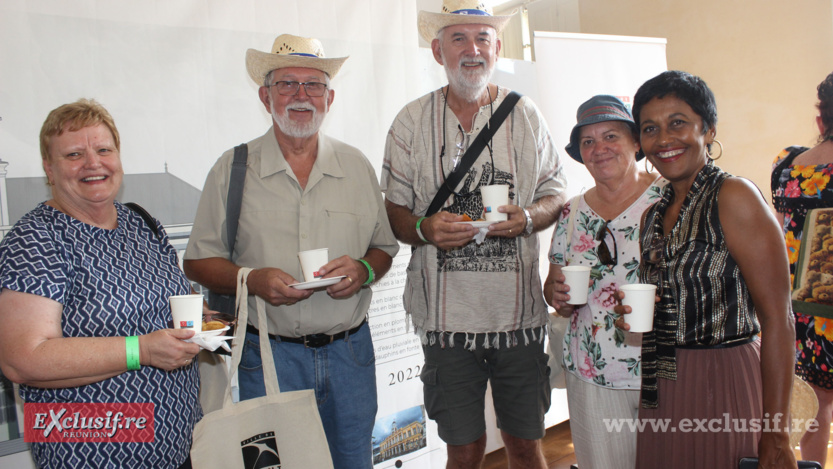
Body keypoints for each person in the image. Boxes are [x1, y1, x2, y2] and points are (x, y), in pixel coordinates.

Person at [182, 34, 399, 469]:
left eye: (313, 85)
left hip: (350, 355)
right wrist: (252, 279)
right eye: (287, 84)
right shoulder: (233, 168)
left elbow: (384, 249)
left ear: (329, 97)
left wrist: (363, 270)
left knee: (353, 463)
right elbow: (197, 261)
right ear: (266, 97)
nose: (301, 96)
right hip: (268, 359)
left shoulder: (356, 166)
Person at [381, 1, 567, 467]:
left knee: (526, 445)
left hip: (519, 322)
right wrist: (423, 229)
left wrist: (526, 217)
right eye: (459, 39)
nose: (472, 50)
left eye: (482, 38)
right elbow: (394, 210)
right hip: (447, 328)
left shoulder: (524, 115)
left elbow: (555, 192)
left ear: (498, 48)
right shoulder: (410, 121)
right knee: (463, 450)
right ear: (437, 49)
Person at [0, 99, 202, 468]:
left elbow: (166, 302)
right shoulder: (34, 239)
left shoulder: (141, 222)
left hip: (177, 443)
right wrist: (140, 350)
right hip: (94, 452)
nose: (93, 164)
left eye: (103, 150)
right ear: (49, 167)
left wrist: (200, 321)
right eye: (74, 154)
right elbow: (22, 360)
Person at [615, 71, 797, 468]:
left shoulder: (734, 197)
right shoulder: (652, 215)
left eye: (677, 123)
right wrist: (631, 320)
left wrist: (777, 432)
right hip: (664, 384)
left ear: (708, 130)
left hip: (725, 378)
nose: (664, 139)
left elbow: (778, 318)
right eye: (650, 128)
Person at [544, 95, 665, 469]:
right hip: (592, 372)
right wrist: (558, 295)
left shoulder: (670, 198)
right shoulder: (572, 210)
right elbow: (553, 282)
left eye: (610, 136)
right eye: (588, 142)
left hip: (663, 369)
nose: (599, 149)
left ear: (635, 142)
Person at [771, 71, 833, 466]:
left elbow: (778, 236)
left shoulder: (789, 165)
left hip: (803, 305)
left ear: (820, 121)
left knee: (814, 400)